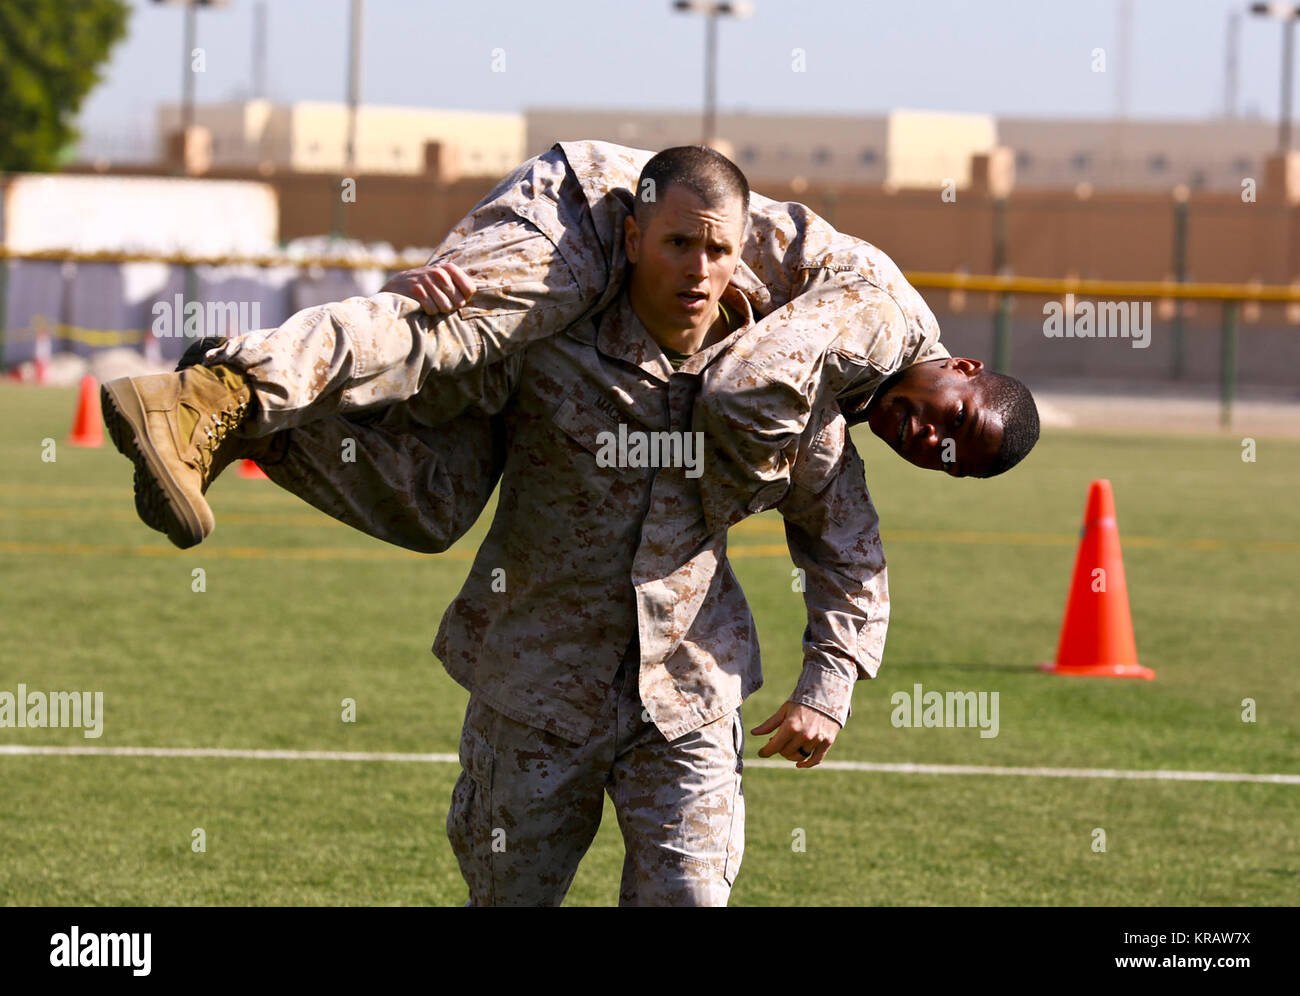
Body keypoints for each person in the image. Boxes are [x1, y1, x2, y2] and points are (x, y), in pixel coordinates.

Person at [100, 140, 1038, 550]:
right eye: (954, 421)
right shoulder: (883, 321)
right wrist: (741, 483)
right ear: (961, 369)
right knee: (465, 319)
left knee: (436, 506)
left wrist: (831, 685)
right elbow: (748, 387)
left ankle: (242, 426)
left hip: (622, 316)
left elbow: (849, 547)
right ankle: (218, 394)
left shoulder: (868, 396)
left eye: (950, 460)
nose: (933, 443)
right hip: (612, 216)